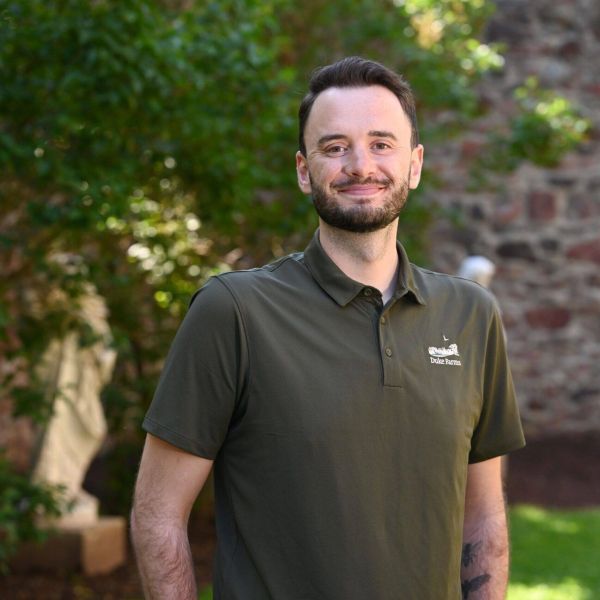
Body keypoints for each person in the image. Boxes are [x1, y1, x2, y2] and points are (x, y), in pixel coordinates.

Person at [131, 56, 525, 600]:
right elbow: (158, 514)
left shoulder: (471, 315)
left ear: (414, 164)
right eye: (335, 146)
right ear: (303, 169)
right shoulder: (235, 311)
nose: (360, 165)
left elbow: (482, 518)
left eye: (381, 144)